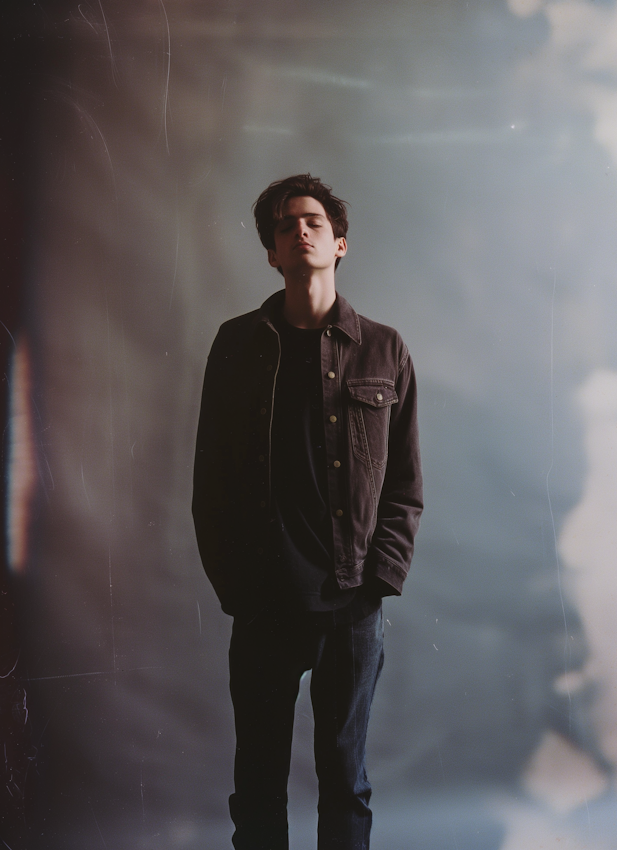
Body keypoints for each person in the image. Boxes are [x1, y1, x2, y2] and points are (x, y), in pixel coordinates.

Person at [192, 174, 423, 850]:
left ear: (339, 242)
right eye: (286, 224)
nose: (300, 230)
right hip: (264, 605)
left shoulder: (384, 350)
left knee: (344, 782)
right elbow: (210, 484)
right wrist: (236, 588)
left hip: (351, 607)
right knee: (258, 787)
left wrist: (377, 583)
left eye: (314, 220)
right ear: (271, 253)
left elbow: (406, 484)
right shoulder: (236, 345)